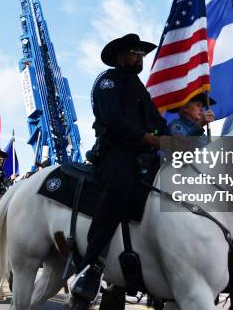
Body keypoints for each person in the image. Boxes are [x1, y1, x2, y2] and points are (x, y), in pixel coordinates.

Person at [70, 33, 169, 305]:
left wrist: (172, 138)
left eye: (142, 54)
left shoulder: (138, 86)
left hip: (143, 154)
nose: (140, 58)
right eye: (136, 53)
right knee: (119, 191)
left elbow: (155, 119)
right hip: (116, 152)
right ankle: (89, 268)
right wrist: (145, 137)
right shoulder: (108, 81)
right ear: (121, 56)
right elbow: (113, 119)